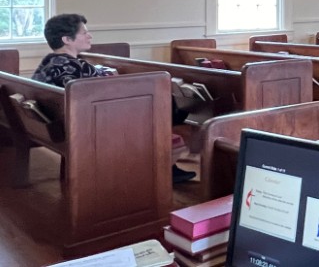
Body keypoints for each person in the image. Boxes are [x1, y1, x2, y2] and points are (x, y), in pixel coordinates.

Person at [32, 13, 197, 183]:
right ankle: (161, 167)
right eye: (84, 33)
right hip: (87, 127)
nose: (90, 36)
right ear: (67, 39)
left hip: (60, 124)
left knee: (162, 109)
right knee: (166, 108)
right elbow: (104, 96)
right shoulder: (75, 66)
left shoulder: (50, 62)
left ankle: (165, 162)